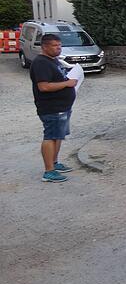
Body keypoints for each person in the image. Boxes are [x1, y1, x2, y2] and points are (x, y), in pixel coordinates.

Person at [30, 34, 78, 183]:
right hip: (51, 107)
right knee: (50, 136)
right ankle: (49, 171)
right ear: (44, 47)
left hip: (62, 107)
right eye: (54, 45)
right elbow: (43, 86)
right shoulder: (41, 63)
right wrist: (66, 84)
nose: (59, 48)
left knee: (58, 135)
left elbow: (58, 78)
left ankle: (55, 163)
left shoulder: (53, 60)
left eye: (59, 45)